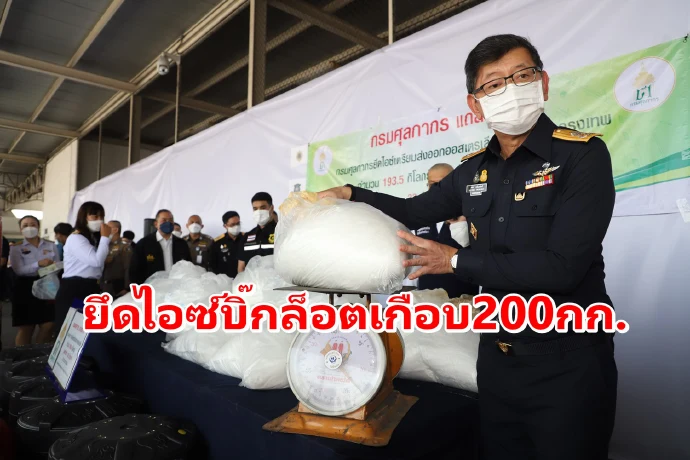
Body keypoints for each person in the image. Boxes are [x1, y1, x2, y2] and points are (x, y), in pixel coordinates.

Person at [318, 34, 617, 460]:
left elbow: (563, 268)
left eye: (522, 75)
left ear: (544, 83)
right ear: (475, 105)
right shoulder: (472, 171)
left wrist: (456, 260)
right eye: (494, 84)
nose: (511, 89)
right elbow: (411, 211)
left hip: (568, 365)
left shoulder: (582, 157)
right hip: (496, 364)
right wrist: (349, 193)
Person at [414, 163, 478, 298]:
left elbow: (480, 253)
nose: (437, 189)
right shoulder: (422, 215)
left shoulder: (470, 212)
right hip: (427, 299)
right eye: (433, 184)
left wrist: (460, 223)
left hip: (463, 298)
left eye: (442, 183)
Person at [54, 201, 111, 332]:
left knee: (88, 331)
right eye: (94, 216)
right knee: (70, 331)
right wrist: (105, 238)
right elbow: (97, 261)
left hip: (90, 286)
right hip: (75, 288)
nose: (99, 220)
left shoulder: (92, 238)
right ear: (84, 217)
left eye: (101, 217)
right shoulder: (76, 238)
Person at [9, 216, 59, 345]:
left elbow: (57, 265)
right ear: (20, 229)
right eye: (25, 225)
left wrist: (48, 269)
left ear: (38, 227)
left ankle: (37, 353)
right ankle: (22, 356)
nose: (29, 227)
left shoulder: (51, 245)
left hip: (47, 284)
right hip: (25, 287)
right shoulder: (16, 248)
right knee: (26, 327)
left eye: (33, 224)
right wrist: (38, 264)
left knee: (48, 324)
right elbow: (19, 270)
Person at [129, 209, 191, 284]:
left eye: (170, 220)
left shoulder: (182, 244)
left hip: (177, 287)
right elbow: (135, 270)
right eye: (164, 220)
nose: (168, 223)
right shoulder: (144, 244)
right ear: (156, 224)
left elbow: (189, 267)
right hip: (153, 287)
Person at [237, 192, 277, 273]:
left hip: (276, 280)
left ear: (272, 208)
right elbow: (241, 268)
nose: (259, 212)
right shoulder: (247, 236)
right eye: (255, 209)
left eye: (263, 208)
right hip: (251, 280)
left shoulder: (281, 232)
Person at [100, 220, 132, 298]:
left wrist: (127, 288)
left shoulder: (124, 246)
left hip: (117, 288)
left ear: (115, 230)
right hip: (103, 286)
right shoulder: (105, 245)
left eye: (108, 228)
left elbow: (128, 268)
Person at [208, 211, 244, 278]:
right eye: (232, 224)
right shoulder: (217, 242)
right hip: (225, 280)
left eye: (238, 223)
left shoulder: (246, 238)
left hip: (245, 279)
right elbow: (212, 264)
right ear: (225, 226)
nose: (236, 226)